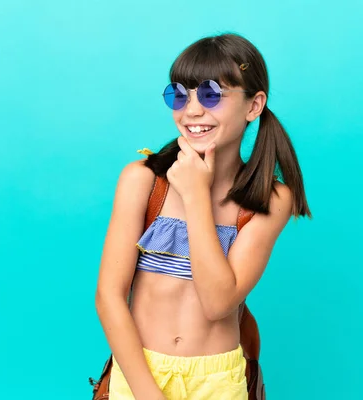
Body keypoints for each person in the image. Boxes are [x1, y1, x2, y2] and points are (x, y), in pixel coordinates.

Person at [95, 32, 312, 400]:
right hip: (137, 375)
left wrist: (196, 195)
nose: (192, 110)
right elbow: (109, 297)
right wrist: (148, 393)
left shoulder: (269, 199)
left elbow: (217, 303)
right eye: (179, 94)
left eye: (211, 94)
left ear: (253, 106)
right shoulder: (142, 180)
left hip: (217, 382)